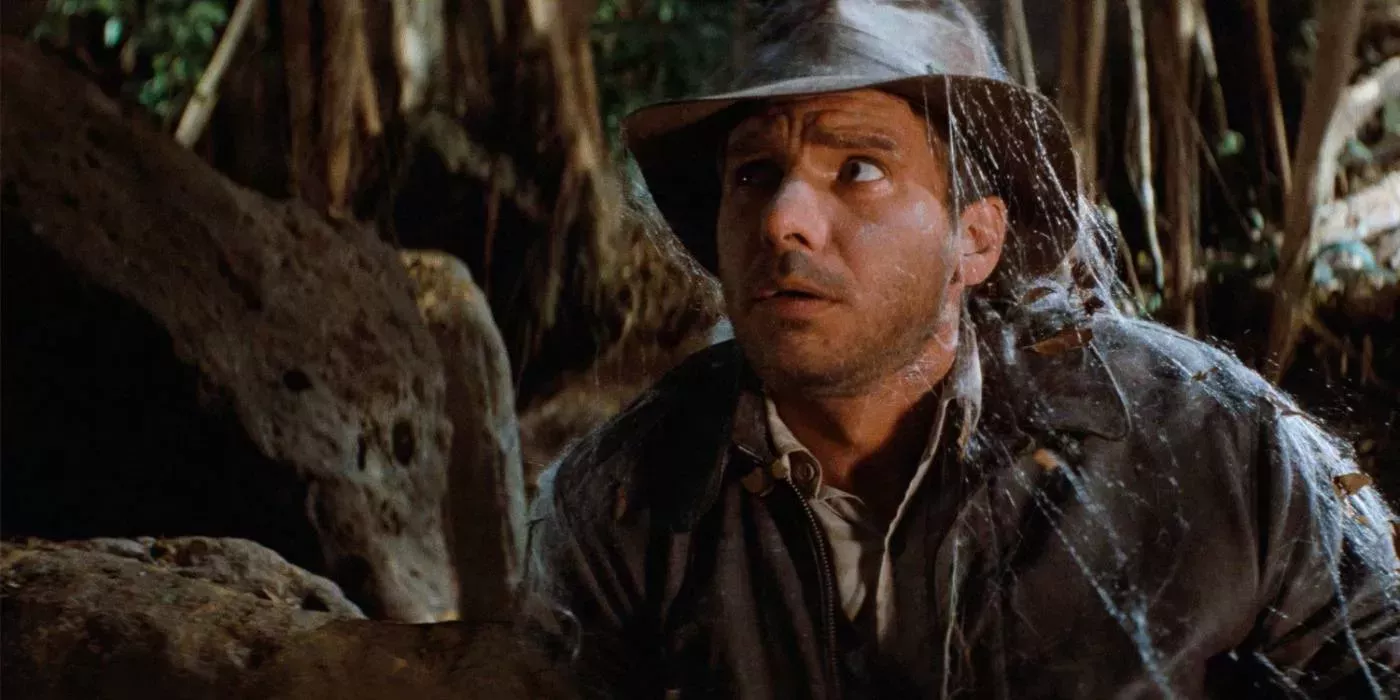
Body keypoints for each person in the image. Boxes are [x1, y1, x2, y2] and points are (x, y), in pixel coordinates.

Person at [523, 1, 1400, 697]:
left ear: (974, 241)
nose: (783, 218)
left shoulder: (1219, 445)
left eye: (858, 168)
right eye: (753, 174)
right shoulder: (619, 507)